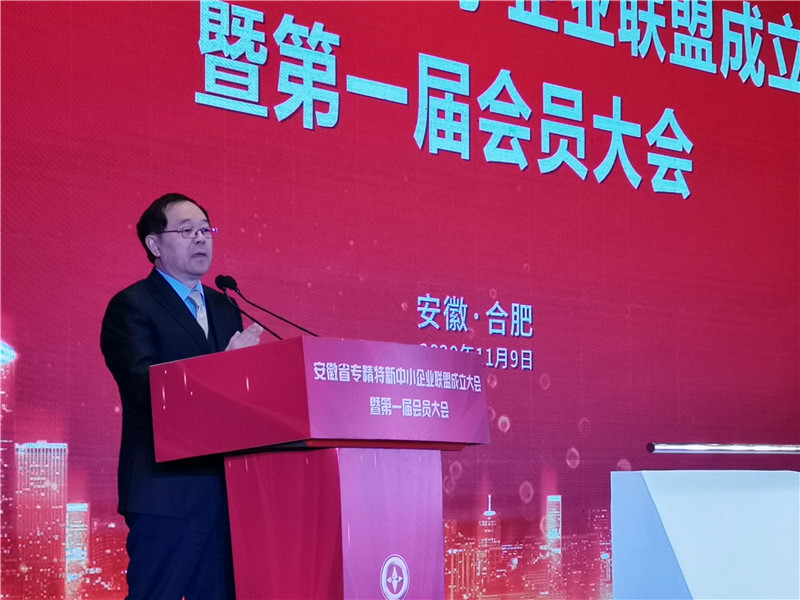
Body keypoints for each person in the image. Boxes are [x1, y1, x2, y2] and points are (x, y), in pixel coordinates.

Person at [100, 193, 262, 600]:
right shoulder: (131, 306)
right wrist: (225, 367)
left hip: (228, 496)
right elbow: (146, 389)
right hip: (166, 495)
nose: (201, 239)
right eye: (187, 231)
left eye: (206, 230)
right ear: (154, 244)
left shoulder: (225, 307)